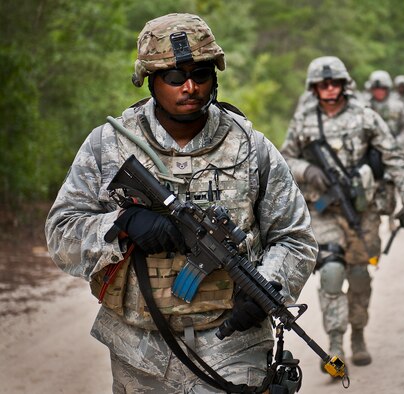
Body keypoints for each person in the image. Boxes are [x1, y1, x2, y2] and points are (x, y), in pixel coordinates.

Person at [45, 13, 317, 393]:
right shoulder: (109, 145)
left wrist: (270, 286)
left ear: (215, 77)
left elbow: (295, 237)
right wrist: (121, 224)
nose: (189, 86)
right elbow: (61, 234)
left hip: (234, 346)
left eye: (200, 74)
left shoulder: (250, 147)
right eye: (174, 77)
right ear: (151, 80)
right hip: (139, 351)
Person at [280, 56, 404, 368]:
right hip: (323, 210)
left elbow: (393, 155)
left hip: (364, 211)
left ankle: (358, 333)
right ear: (314, 88)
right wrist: (308, 171)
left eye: (334, 83)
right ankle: (334, 343)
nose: (329, 89)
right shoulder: (304, 120)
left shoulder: (366, 116)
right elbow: (284, 158)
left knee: (359, 275)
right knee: (331, 273)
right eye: (322, 84)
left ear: (345, 85)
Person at [367, 70, 404, 160]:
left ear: (388, 89)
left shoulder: (398, 106)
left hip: (397, 146)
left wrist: (397, 142)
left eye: (382, 88)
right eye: (376, 89)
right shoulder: (365, 106)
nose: (379, 92)